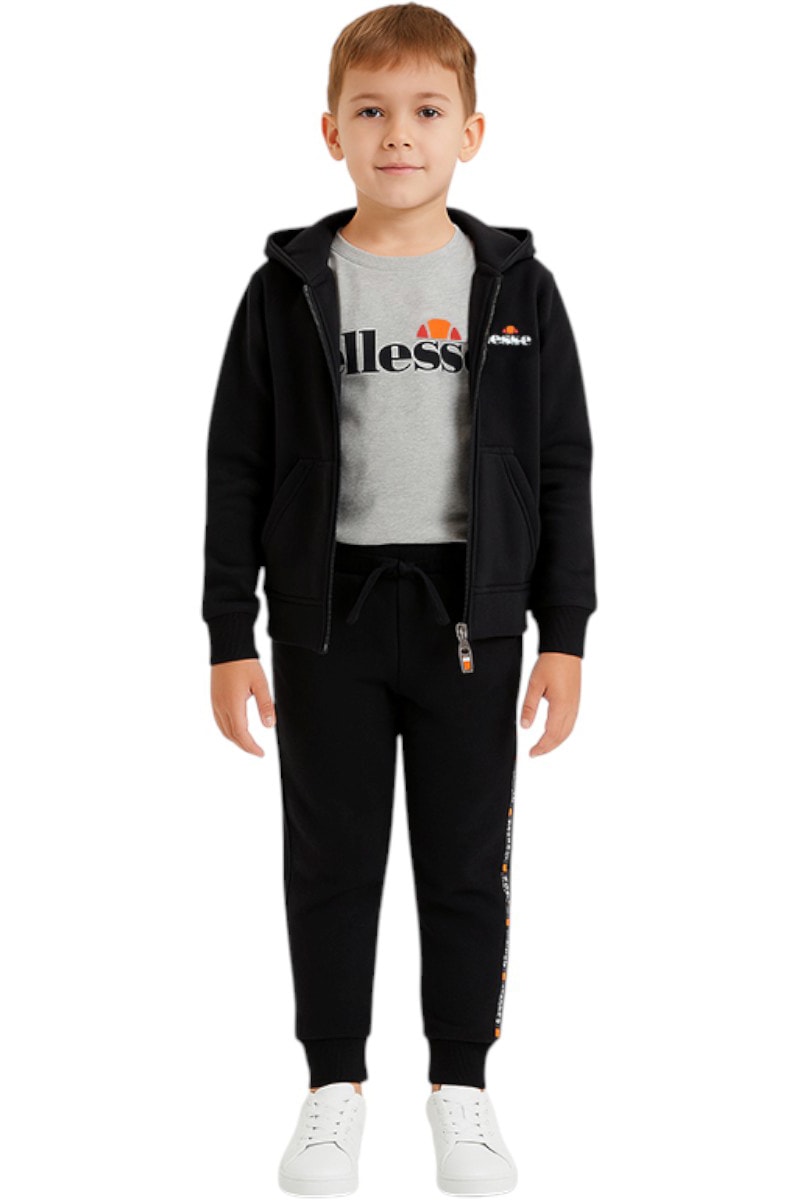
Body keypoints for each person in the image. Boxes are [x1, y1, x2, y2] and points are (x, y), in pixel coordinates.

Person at [202, 3, 597, 1194]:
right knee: (330, 858)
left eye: (426, 111)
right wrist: (229, 633)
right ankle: (331, 1089)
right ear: (330, 131)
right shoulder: (286, 288)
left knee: (465, 861)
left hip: (470, 616)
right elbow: (237, 465)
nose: (397, 135)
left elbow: (560, 465)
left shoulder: (515, 287)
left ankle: (460, 1088)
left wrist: (564, 633)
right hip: (325, 612)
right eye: (370, 111)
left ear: (470, 131)